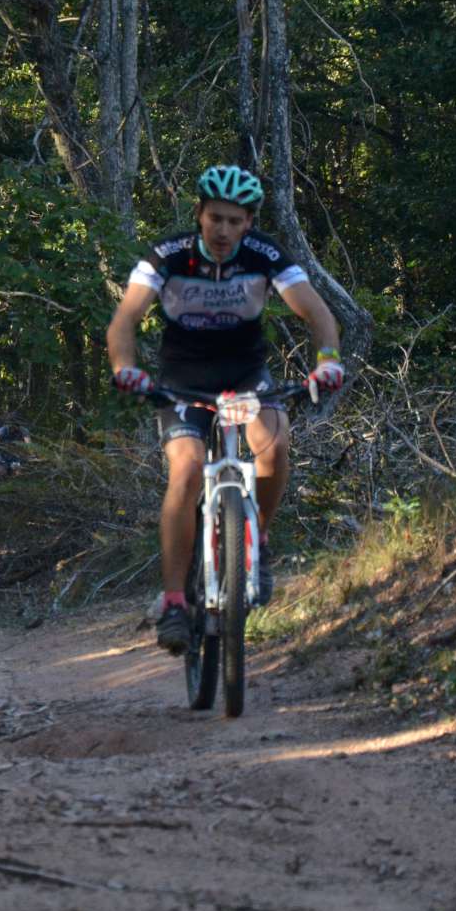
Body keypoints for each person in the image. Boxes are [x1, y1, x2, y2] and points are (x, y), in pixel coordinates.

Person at [105, 164, 346, 655]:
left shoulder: (265, 255)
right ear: (199, 213)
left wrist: (327, 361)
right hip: (183, 381)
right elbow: (124, 320)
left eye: (235, 221)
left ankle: (256, 545)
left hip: (245, 376)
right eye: (215, 218)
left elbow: (318, 313)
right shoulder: (169, 255)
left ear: (249, 223)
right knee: (187, 470)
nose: (223, 230)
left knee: (274, 450)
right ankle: (175, 602)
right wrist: (126, 368)